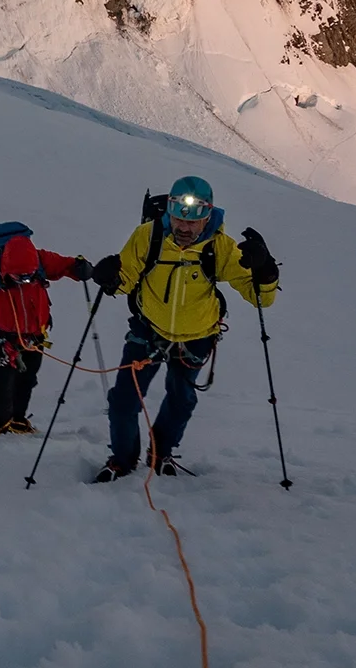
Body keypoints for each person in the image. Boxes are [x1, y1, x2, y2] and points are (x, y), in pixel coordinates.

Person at [89, 175, 278, 481]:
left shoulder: (220, 247)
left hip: (197, 336)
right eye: (178, 219)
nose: (184, 228)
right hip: (149, 329)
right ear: (169, 212)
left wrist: (265, 270)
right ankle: (123, 460)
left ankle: (160, 453)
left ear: (207, 217)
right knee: (124, 399)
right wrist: (111, 278)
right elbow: (126, 278)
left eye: (193, 222)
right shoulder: (148, 236)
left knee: (181, 400)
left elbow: (259, 297)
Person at [0, 230, 92, 435]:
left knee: (26, 382)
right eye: (18, 277)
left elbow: (68, 265)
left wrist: (82, 269)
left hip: (35, 338)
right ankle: (1, 427)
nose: (25, 280)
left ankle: (18, 421)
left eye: (29, 276)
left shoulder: (41, 260)